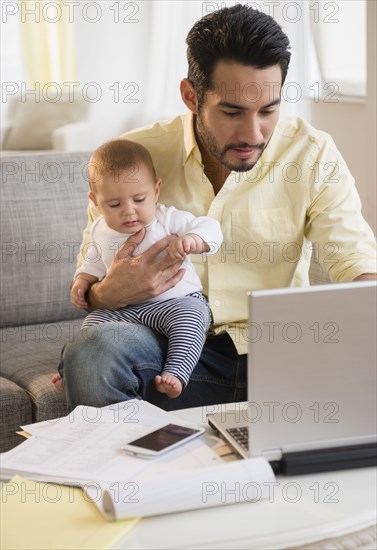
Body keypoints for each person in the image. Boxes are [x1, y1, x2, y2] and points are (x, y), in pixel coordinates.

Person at [58, 4, 376, 411]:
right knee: (94, 350)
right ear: (191, 96)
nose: (253, 133)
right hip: (169, 349)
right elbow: (95, 275)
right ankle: (123, 474)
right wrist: (105, 295)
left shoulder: (311, 154)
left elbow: (357, 264)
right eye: (232, 112)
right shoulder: (135, 161)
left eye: (268, 110)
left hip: (279, 352)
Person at [53, 139, 223, 398]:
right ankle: (70, 370)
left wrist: (194, 240)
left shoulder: (166, 218)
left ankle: (176, 372)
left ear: (156, 191)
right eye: (114, 205)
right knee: (92, 325)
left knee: (193, 318)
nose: (129, 211)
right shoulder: (100, 229)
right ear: (95, 202)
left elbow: (210, 227)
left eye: (139, 199)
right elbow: (93, 262)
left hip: (175, 302)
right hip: (124, 310)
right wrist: (82, 282)